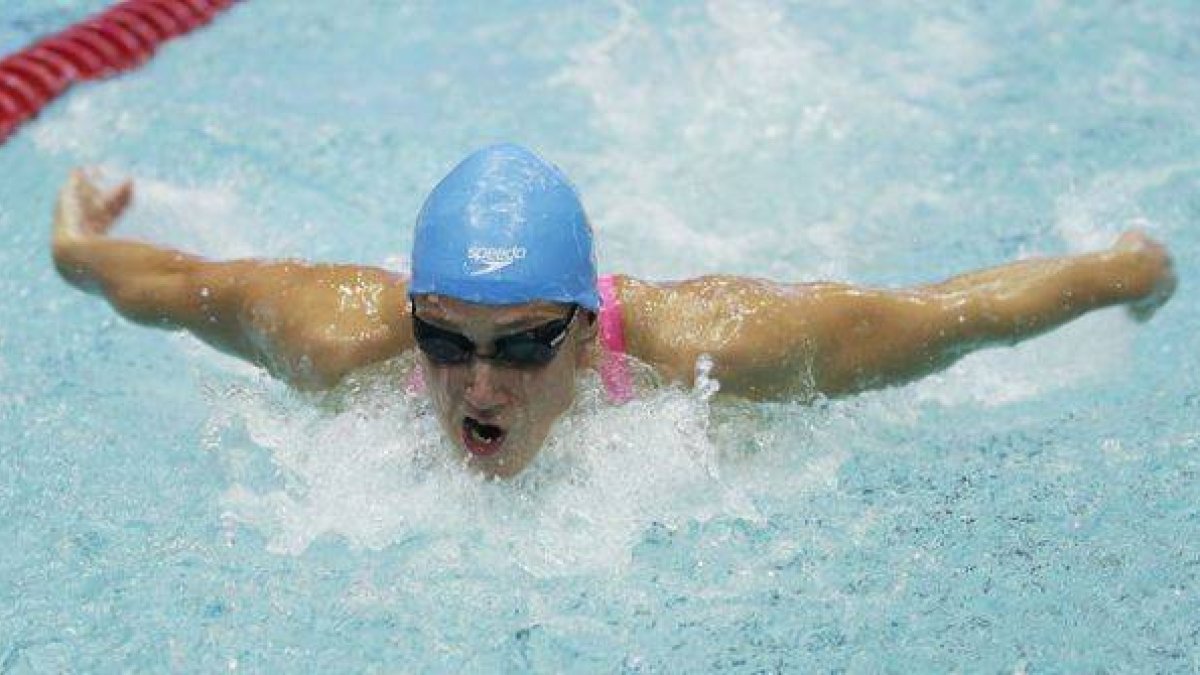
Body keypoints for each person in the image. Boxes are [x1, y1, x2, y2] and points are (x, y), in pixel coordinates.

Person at [51, 144, 1176, 477]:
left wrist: (1123, 273)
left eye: (524, 346)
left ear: (586, 329)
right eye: (444, 341)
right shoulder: (333, 330)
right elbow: (155, 285)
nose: (479, 387)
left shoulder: (727, 347)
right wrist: (76, 236)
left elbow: (947, 316)